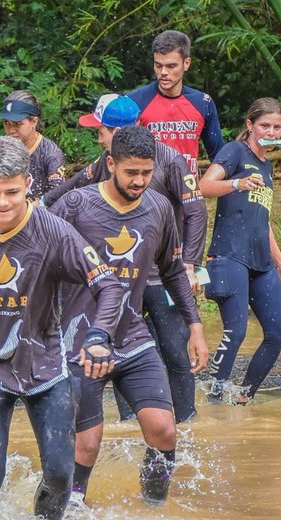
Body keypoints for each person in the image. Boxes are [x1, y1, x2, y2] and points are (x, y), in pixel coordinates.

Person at [0, 136, 124, 520]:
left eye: (12, 192)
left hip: (45, 363)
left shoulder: (55, 231)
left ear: (28, 185)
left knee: (61, 475)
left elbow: (109, 285)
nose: (1, 202)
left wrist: (98, 337)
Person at [49, 126, 209, 506]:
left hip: (132, 338)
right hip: (79, 343)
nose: (139, 181)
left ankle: (153, 507)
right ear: (110, 164)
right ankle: (68, 509)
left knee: (164, 431)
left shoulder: (157, 209)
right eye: (130, 172)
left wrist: (195, 326)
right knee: (86, 445)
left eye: (146, 172)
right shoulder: (75, 206)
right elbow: (39, 260)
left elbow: (172, 270)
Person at [199, 97, 281, 404]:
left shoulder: (267, 167)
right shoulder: (234, 152)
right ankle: (213, 396)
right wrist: (237, 184)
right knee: (236, 331)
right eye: (264, 125)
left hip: (260, 262)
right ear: (250, 125)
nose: (270, 131)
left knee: (278, 333)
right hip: (229, 256)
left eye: (276, 126)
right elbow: (203, 186)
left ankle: (242, 397)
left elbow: (261, 220)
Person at [128, 30, 224, 173]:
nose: (163, 72)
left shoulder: (203, 103)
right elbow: (122, 155)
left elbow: (219, 157)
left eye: (171, 66)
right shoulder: (135, 101)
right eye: (158, 65)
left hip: (188, 189)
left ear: (186, 63)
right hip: (148, 190)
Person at [0, 90, 66, 201]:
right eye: (7, 123)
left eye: (17, 124)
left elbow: (58, 194)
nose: (11, 130)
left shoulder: (50, 153)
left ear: (34, 121)